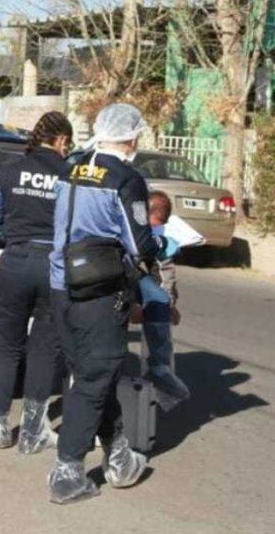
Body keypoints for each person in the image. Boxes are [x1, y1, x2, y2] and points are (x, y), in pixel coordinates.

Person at [47, 103, 174, 504]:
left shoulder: (71, 166)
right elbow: (140, 243)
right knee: (94, 378)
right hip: (100, 290)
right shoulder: (126, 178)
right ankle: (68, 472)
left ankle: (119, 455)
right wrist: (164, 243)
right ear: (133, 138)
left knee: (89, 373)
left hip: (59, 284)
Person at [0, 112, 73, 454]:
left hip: (15, 262)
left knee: (6, 343)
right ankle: (33, 432)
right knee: (44, 347)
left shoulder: (10, 170)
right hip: (55, 266)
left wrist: (14, 238)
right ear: (61, 141)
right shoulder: (70, 174)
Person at [137, 191, 190, 408]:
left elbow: (166, 276)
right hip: (131, 286)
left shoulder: (159, 238)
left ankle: (159, 371)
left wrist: (169, 304)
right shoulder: (153, 234)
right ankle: (159, 370)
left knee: (159, 300)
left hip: (141, 290)